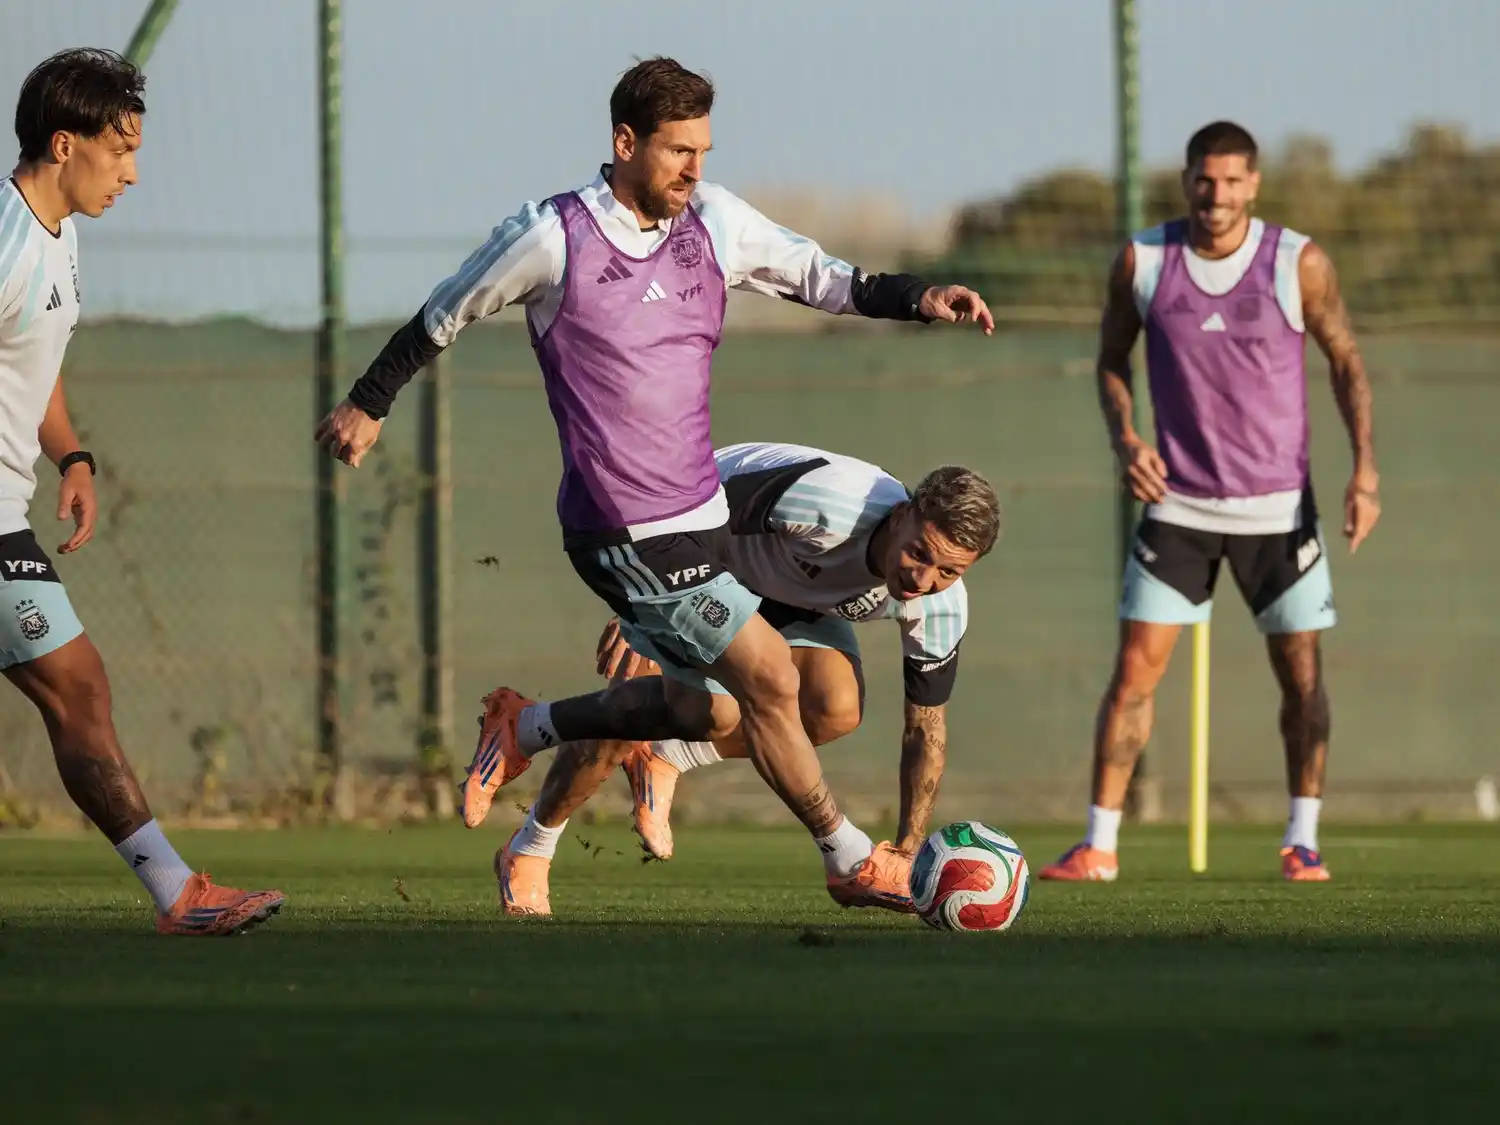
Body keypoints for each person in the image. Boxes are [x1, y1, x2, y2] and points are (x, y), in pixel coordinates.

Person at [315, 58, 994, 909]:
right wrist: (369, 401)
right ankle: (847, 856)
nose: (694, 169)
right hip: (620, 526)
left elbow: (822, 277)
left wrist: (919, 296)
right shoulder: (553, 234)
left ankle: (525, 737)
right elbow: (446, 310)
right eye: (678, 151)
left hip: (701, 518)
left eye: (704, 150)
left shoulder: (713, 222)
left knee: (699, 713)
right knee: (774, 680)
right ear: (624, 142)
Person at [1039, 121, 1379, 884]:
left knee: (1300, 678)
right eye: (1204, 178)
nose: (1216, 194)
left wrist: (1365, 471)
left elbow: (1346, 360)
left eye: (1232, 181)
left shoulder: (1299, 262)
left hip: (1280, 511)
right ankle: (1099, 844)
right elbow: (1109, 359)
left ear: (1253, 184)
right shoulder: (1145, 259)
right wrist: (1127, 438)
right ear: (1186, 178)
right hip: (1180, 507)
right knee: (1133, 674)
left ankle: (1303, 838)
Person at [2, 49, 284, 933]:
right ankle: (177, 892)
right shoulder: (5, 241)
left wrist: (72, 455)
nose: (132, 170)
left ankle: (177, 892)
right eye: (119, 149)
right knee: (79, 689)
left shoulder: (59, 235)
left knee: (77, 690)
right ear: (62, 143)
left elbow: (33, 359)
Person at [492, 442, 1001, 917]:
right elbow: (684, 517)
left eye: (948, 572)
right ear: (901, 514)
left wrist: (907, 853)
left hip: (795, 593)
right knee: (654, 712)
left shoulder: (939, 606)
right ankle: (531, 845)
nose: (922, 580)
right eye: (918, 553)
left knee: (836, 708)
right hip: (692, 545)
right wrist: (644, 594)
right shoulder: (829, 503)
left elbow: (925, 728)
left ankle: (668, 755)